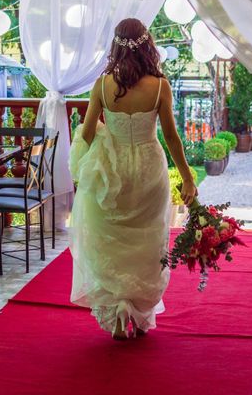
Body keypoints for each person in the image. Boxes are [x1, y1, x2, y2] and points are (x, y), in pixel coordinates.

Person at [68, 18, 197, 340]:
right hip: (149, 169)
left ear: (115, 46)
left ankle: (116, 313)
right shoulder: (160, 86)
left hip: (112, 170)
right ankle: (139, 313)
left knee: (109, 239)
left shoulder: (101, 85)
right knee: (148, 240)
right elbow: (171, 137)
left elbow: (86, 132)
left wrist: (86, 165)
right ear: (147, 45)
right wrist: (187, 178)